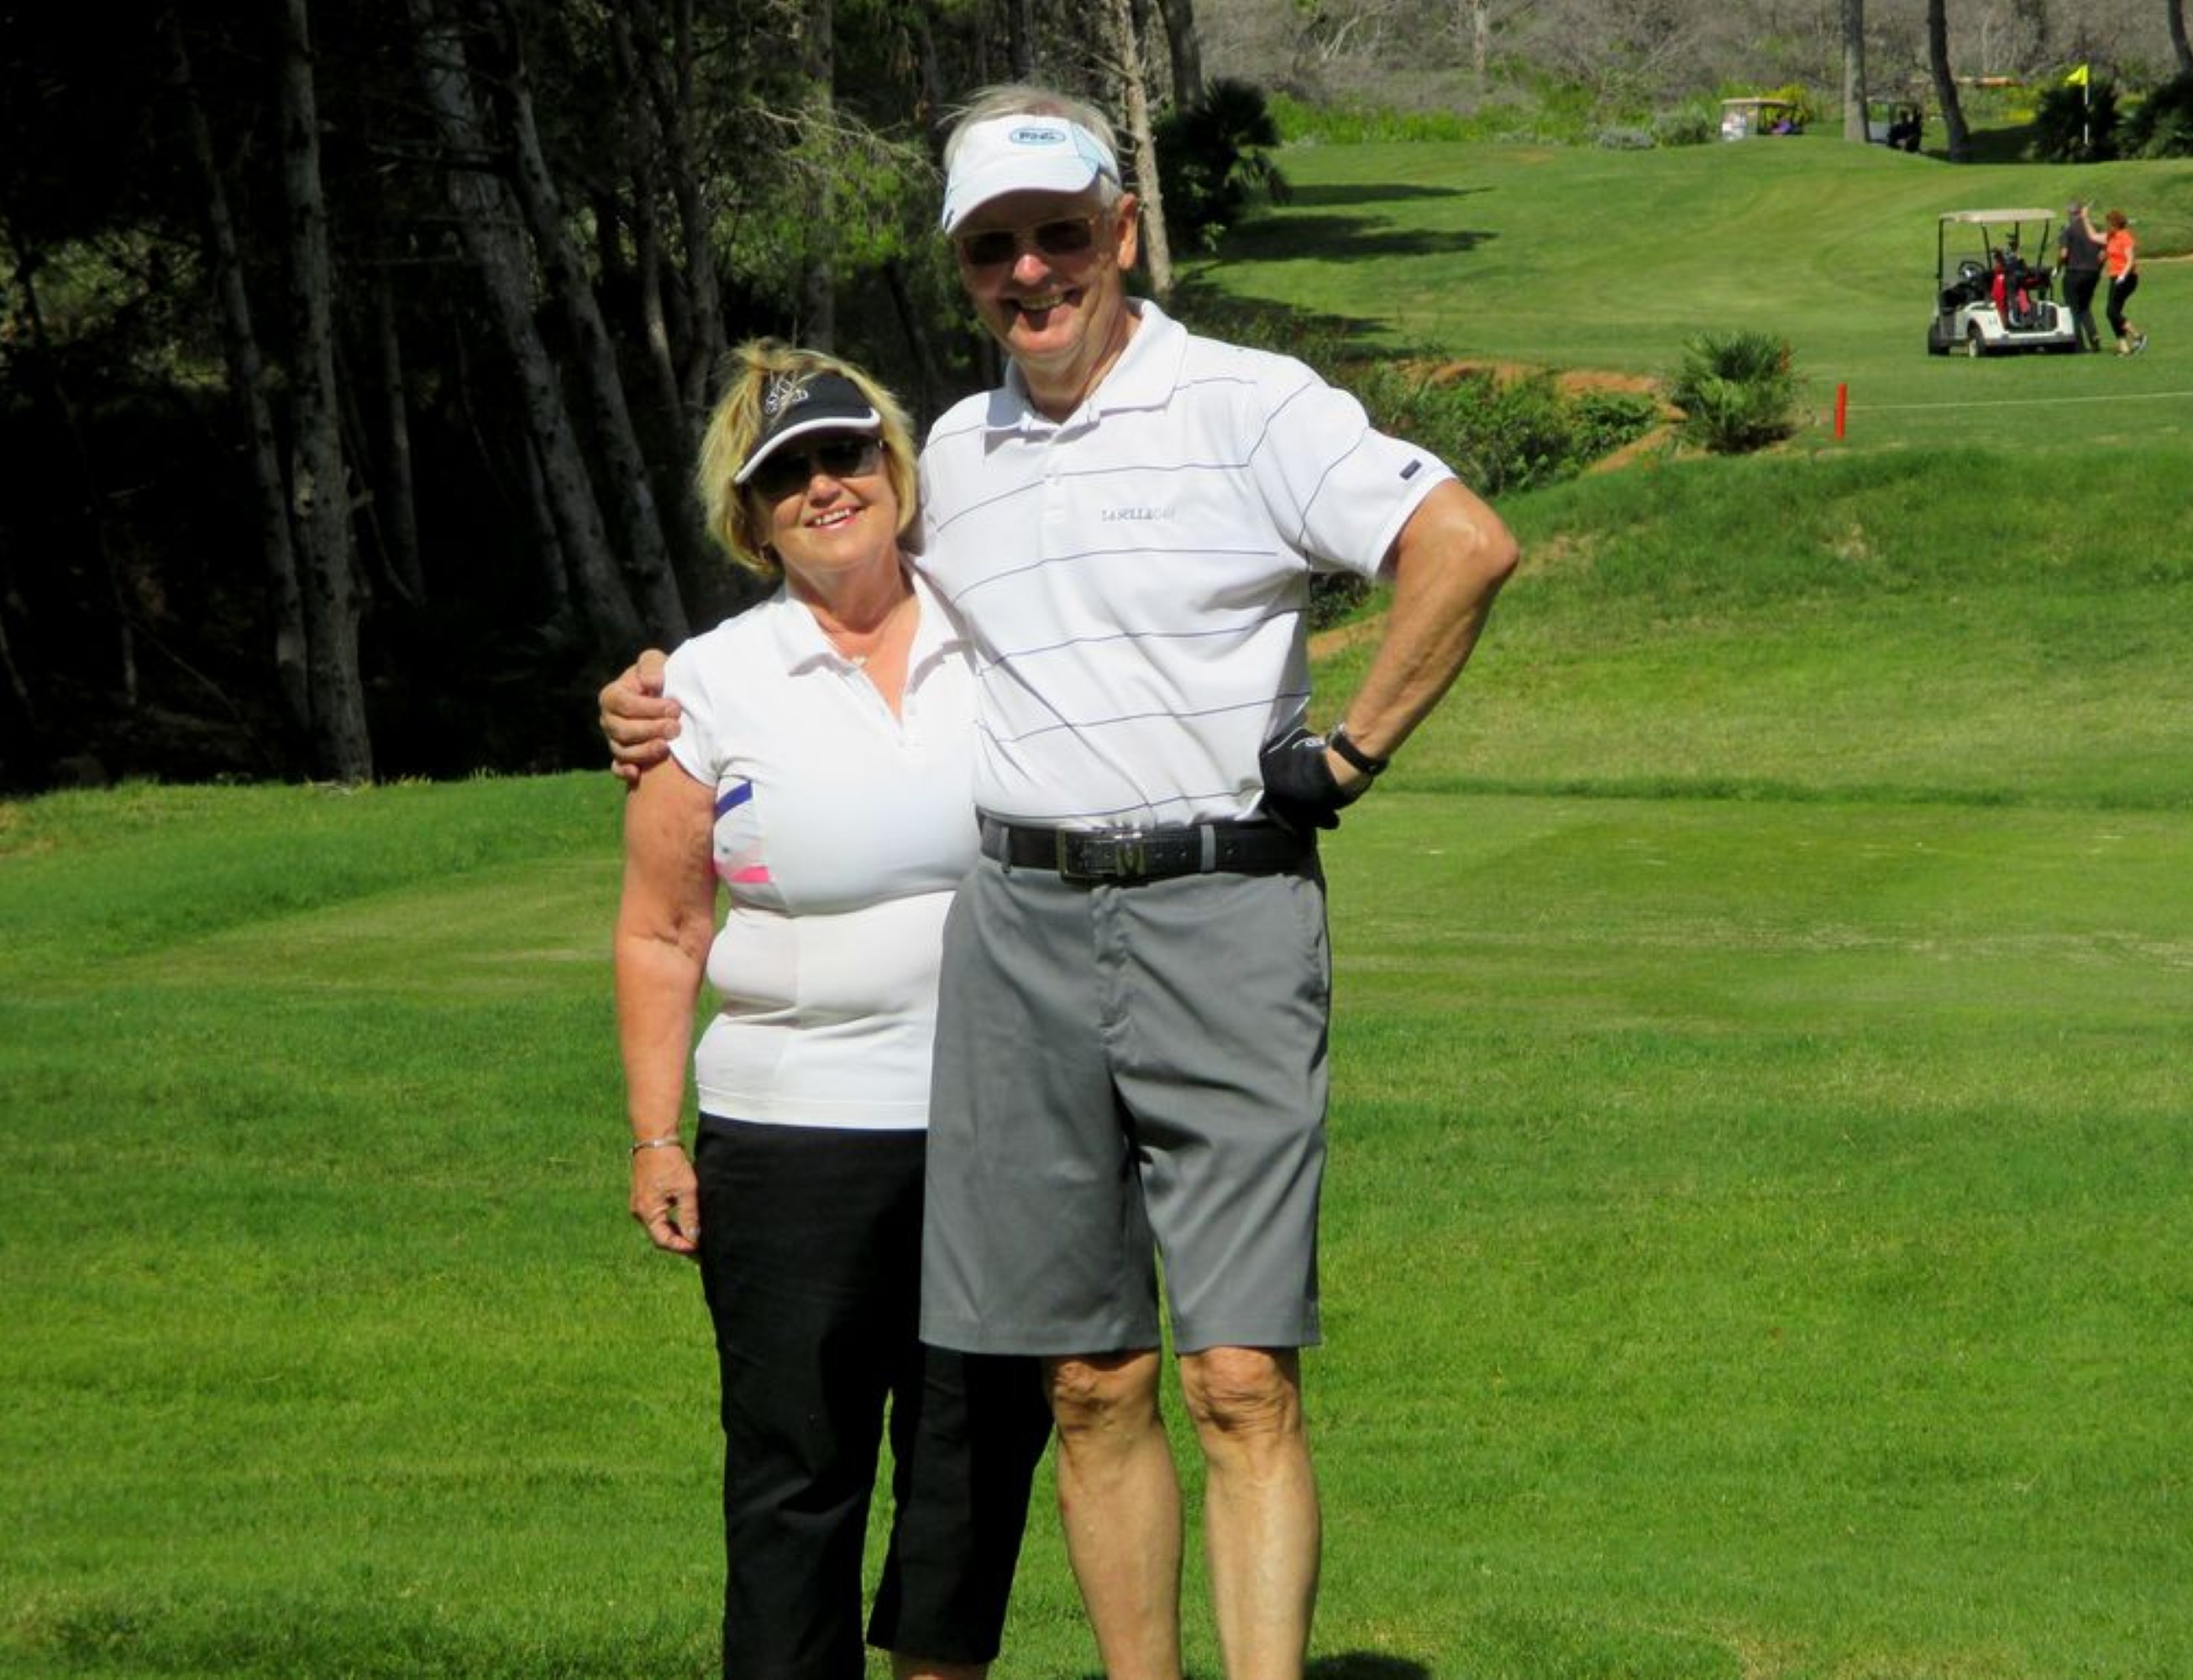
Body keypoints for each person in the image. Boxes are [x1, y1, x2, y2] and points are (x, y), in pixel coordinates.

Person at [605, 83, 1519, 1680]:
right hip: (1022, 931)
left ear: (1120, 229)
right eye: (992, 250)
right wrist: (649, 695)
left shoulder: (1249, 403)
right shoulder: (960, 453)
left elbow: (1462, 543)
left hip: (1219, 909)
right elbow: (832, 581)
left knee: (1237, 1375)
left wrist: (1350, 754)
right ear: (964, 271)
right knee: (1087, 1382)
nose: (1028, 273)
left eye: (1056, 235)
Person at [612, 339, 1047, 1680]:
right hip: (790, 1133)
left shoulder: (1004, 629)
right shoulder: (703, 685)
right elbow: (663, 929)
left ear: (895, 471)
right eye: (786, 473)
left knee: (973, 1454)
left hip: (1001, 1118)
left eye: (846, 453)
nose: (824, 487)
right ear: (750, 518)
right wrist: (655, 1137)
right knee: (795, 1467)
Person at [2059, 201, 2106, 352]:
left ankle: (2079, 345)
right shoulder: (2094, 228)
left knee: (2073, 309)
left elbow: (2064, 254)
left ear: (2071, 214)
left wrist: (2058, 267)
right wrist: (2097, 270)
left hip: (2074, 273)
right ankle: (2094, 337)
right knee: (2085, 307)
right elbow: (2103, 255)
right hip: (2092, 273)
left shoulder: (2068, 230)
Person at [2104, 208, 2146, 354]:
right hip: (2115, 277)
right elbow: (2093, 236)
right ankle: (2124, 348)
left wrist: (2122, 276)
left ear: (2115, 224)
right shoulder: (2111, 236)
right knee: (2113, 312)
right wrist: (2084, 219)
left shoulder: (2125, 237)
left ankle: (2137, 335)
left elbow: (2130, 260)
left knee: (2111, 311)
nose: (2106, 226)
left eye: (2108, 223)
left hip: (2127, 278)